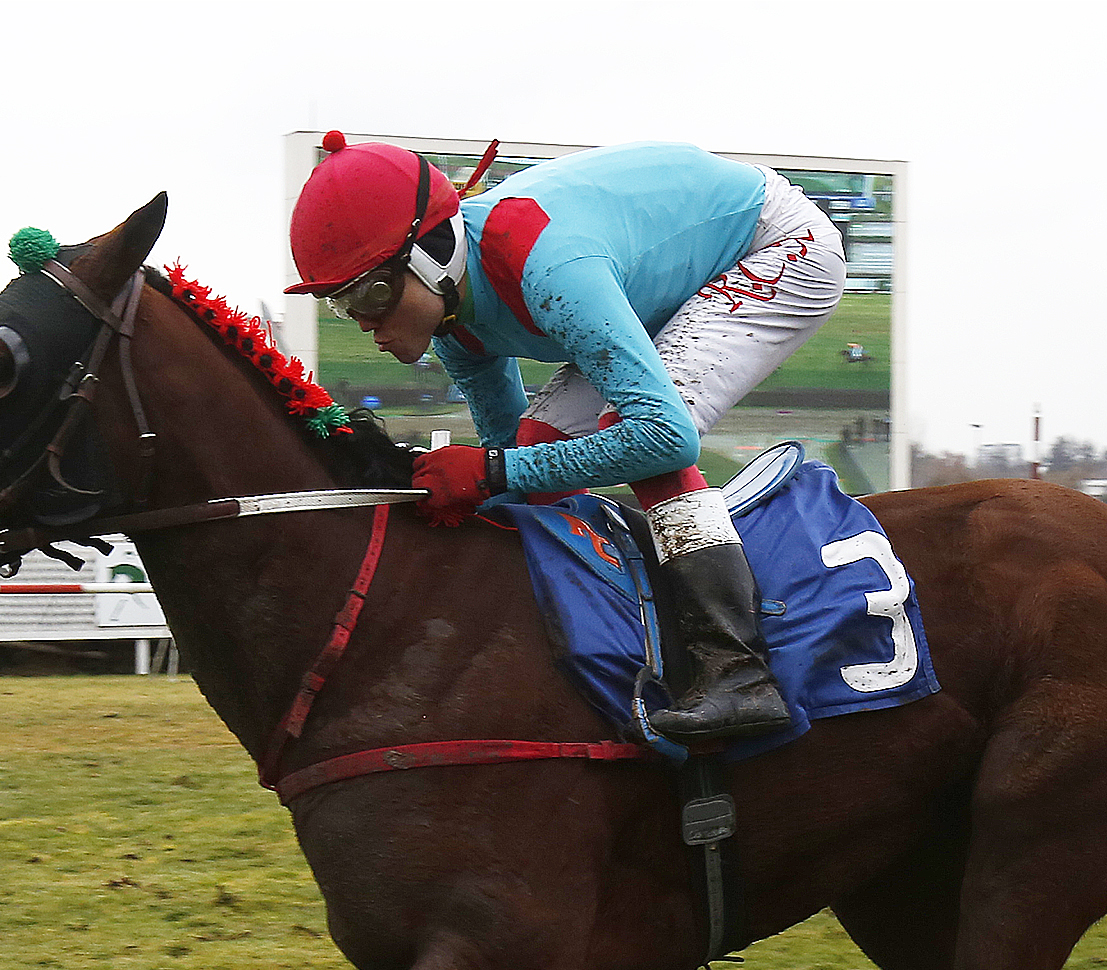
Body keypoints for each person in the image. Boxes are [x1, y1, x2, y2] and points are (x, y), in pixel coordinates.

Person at [284, 134, 848, 743]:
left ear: (433, 257)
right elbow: (513, 456)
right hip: (665, 265)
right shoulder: (453, 324)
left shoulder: (550, 270)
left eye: (371, 294)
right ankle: (593, 651)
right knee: (534, 444)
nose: (365, 324)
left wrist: (491, 472)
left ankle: (739, 672)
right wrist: (484, 482)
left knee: (631, 430)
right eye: (342, 304)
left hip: (778, 246)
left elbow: (665, 438)